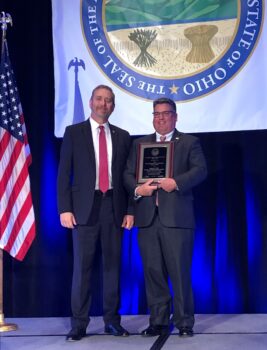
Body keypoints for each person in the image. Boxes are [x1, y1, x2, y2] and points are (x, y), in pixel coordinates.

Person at [123, 97, 207, 337]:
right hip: (148, 218)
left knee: (180, 273)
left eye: (165, 113)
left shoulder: (190, 142)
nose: (160, 118)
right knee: (153, 272)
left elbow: (201, 170)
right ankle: (158, 321)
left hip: (177, 219)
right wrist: (140, 190)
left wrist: (176, 182)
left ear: (175, 116)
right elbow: (128, 174)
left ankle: (184, 323)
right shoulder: (140, 145)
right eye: (156, 114)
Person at [57, 85, 134, 341]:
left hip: (113, 207)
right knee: (82, 269)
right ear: (91, 102)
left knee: (113, 268)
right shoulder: (73, 133)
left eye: (109, 101)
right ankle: (79, 324)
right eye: (100, 99)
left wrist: (130, 210)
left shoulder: (123, 136)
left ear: (113, 106)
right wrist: (65, 208)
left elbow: (128, 179)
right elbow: (63, 175)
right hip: (83, 211)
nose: (104, 104)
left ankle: (112, 321)